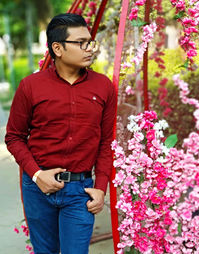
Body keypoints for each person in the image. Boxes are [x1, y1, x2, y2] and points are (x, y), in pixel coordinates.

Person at [5, 13, 117, 254]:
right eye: (81, 43)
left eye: (90, 41)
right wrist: (36, 175)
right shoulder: (30, 86)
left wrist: (100, 187)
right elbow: (14, 137)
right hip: (38, 189)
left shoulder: (104, 86)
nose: (90, 48)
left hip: (81, 191)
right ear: (57, 48)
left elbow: (107, 142)